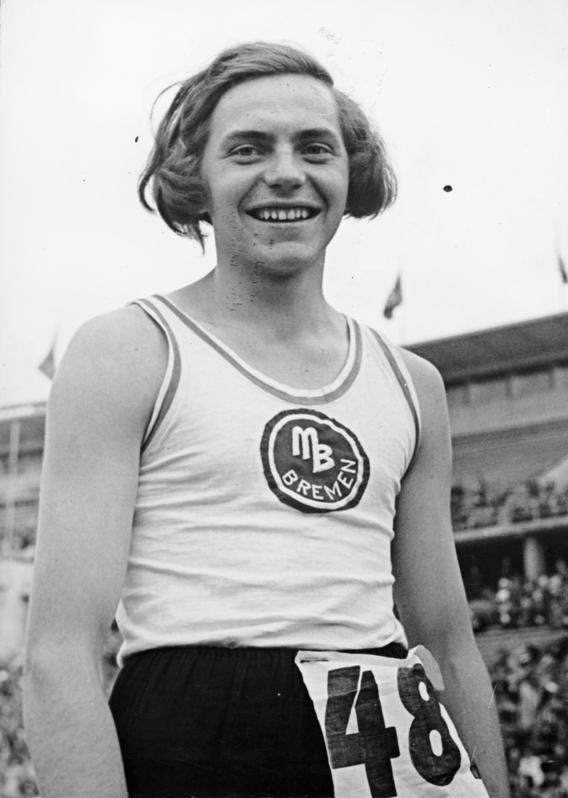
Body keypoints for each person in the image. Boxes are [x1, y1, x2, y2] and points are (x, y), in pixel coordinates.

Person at [23, 42, 510, 798]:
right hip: (196, 728)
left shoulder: (412, 383)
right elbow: (61, 652)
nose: (286, 172)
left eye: (315, 148)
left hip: (386, 732)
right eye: (248, 149)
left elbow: (447, 642)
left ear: (350, 175)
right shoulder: (129, 351)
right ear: (197, 177)